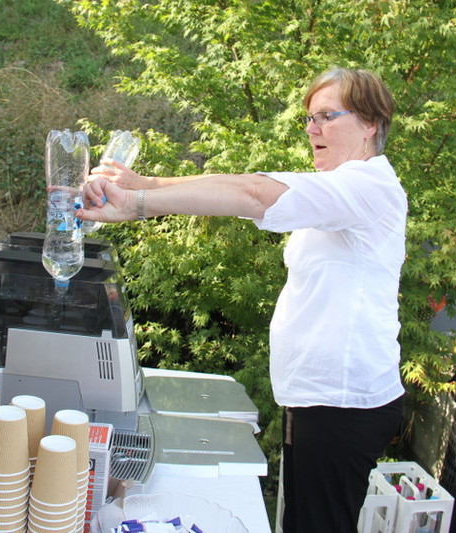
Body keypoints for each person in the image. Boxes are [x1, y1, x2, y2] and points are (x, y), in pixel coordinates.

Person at [77, 67, 406, 532]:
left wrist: (137, 205)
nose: (312, 129)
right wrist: (145, 184)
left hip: (343, 405)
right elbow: (241, 182)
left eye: (326, 116)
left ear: (370, 123)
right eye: (309, 118)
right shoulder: (341, 188)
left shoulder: (366, 186)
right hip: (320, 401)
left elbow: (253, 193)